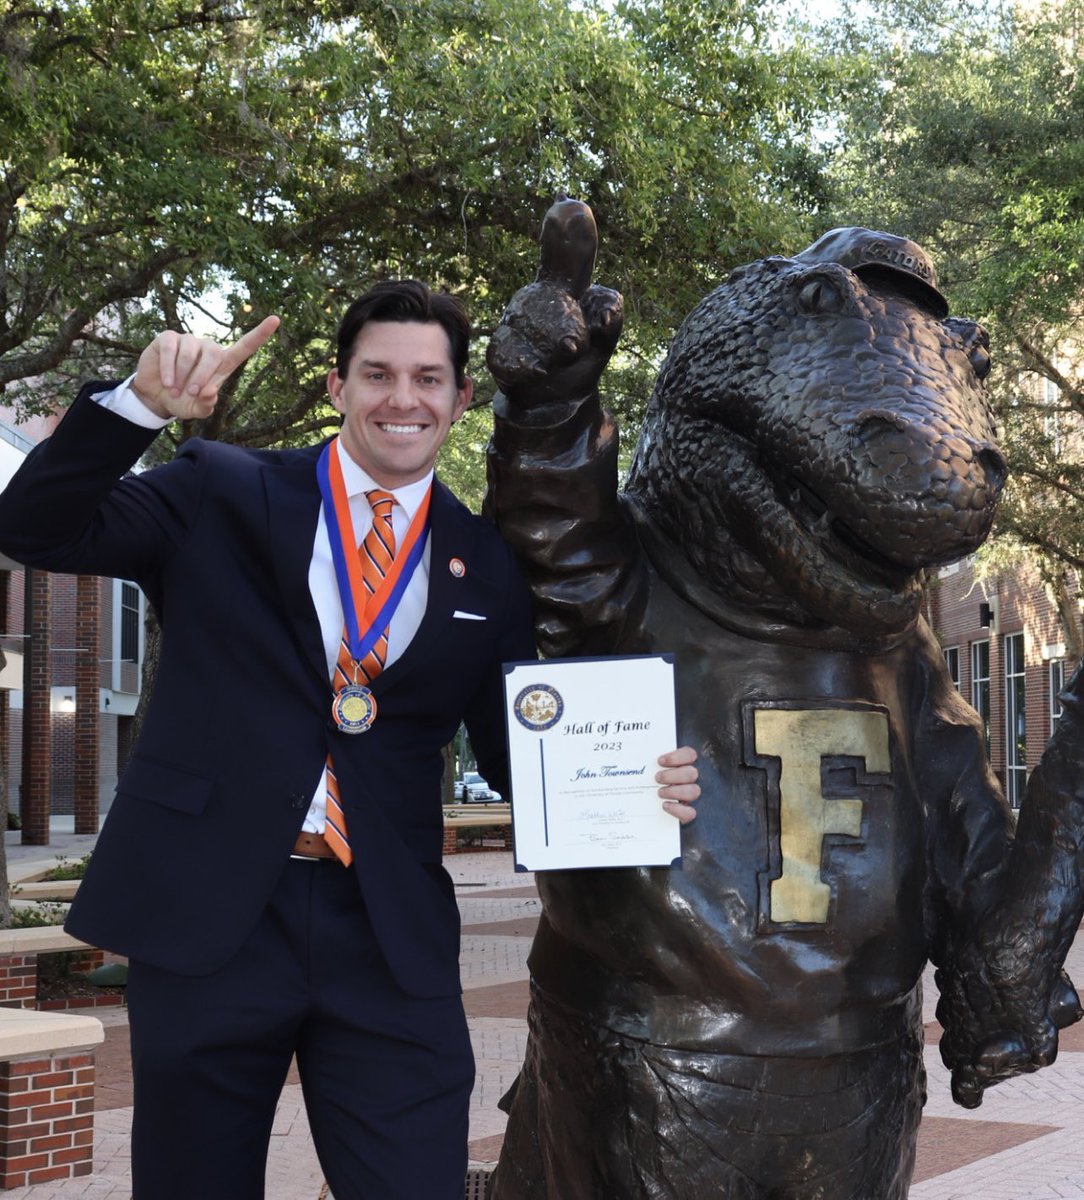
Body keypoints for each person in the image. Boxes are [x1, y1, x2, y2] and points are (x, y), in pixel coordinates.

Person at [0, 280, 700, 1200]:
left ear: (456, 399)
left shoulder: (484, 559)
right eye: (378, 374)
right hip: (208, 911)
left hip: (385, 931)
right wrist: (139, 408)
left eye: (427, 378)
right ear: (337, 386)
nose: (402, 399)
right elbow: (31, 524)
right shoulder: (223, 485)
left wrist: (630, 786)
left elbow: (510, 752)